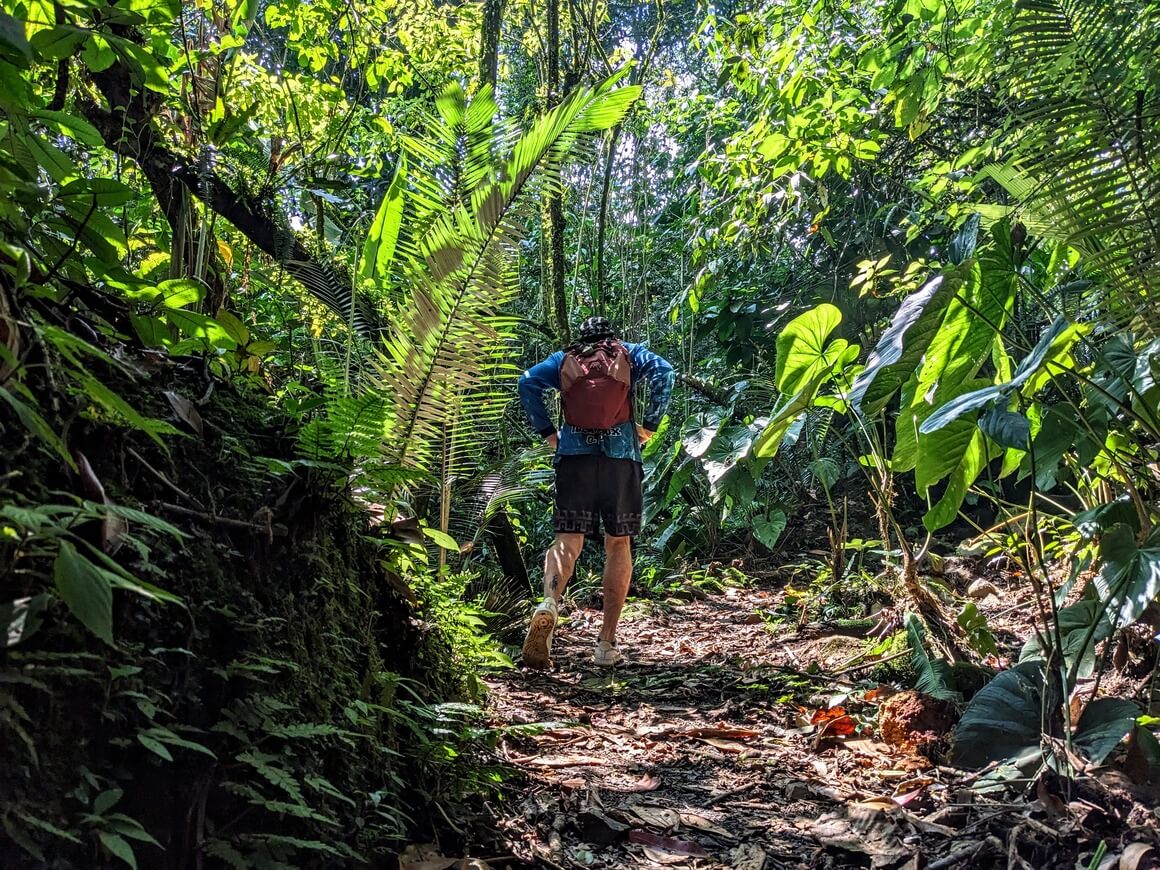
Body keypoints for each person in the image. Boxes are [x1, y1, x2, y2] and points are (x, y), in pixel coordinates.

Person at [517, 316, 675, 669]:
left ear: (581, 338)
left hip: (574, 458)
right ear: (612, 336)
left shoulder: (564, 359)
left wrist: (549, 432)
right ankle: (605, 643)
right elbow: (665, 373)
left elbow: (526, 383)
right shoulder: (629, 353)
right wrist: (649, 426)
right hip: (621, 458)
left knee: (566, 538)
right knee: (618, 543)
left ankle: (549, 602)